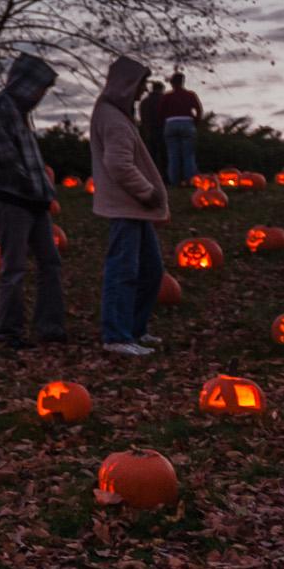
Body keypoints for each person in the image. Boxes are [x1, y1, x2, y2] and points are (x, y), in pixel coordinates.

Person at [90, 57, 169, 356]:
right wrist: (147, 192)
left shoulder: (116, 114)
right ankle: (117, 336)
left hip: (132, 207)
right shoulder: (113, 118)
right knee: (123, 270)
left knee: (151, 269)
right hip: (127, 205)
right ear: (127, 84)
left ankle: (134, 329)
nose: (142, 91)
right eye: (140, 85)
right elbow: (119, 164)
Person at [0, 55, 65, 348]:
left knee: (50, 262)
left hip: (34, 200)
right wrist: (34, 187)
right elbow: (6, 156)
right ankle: (9, 333)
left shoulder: (20, 112)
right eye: (40, 88)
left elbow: (32, 160)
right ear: (27, 84)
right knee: (14, 267)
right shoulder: (1, 105)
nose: (41, 95)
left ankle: (49, 327)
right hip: (12, 199)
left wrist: (44, 192)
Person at [157, 71, 203, 186]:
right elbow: (198, 110)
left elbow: (159, 113)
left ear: (172, 83)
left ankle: (174, 181)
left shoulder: (166, 97)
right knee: (188, 154)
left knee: (173, 154)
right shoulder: (190, 95)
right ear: (182, 82)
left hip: (170, 123)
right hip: (187, 122)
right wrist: (195, 122)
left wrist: (165, 123)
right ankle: (190, 180)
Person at [136, 81, 166, 176]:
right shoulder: (163, 100)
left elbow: (142, 117)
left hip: (148, 131)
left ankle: (151, 177)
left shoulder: (144, 102)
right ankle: (165, 177)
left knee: (150, 156)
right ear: (161, 89)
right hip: (161, 130)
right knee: (163, 156)